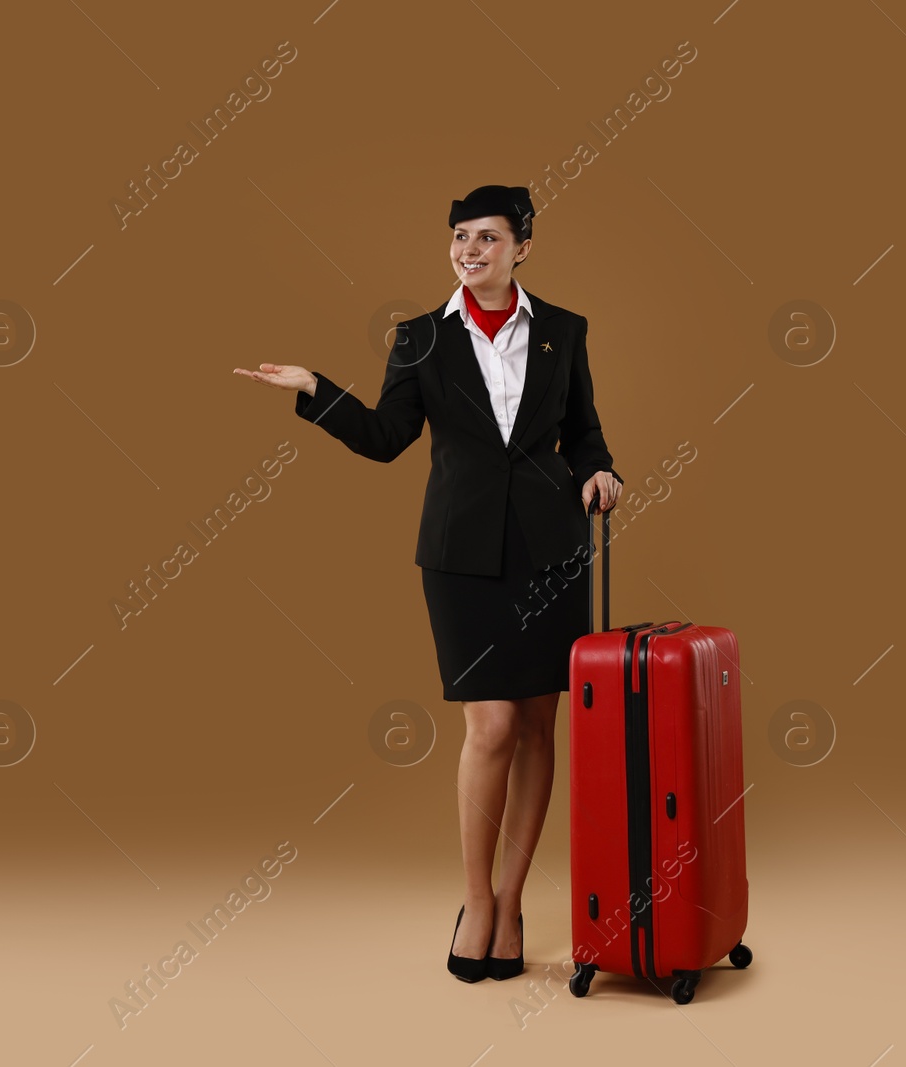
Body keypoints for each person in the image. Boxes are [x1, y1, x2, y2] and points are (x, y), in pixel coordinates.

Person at [234, 185, 623, 984]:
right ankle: (476, 899)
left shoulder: (562, 331)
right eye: (459, 238)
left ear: (522, 247)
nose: (470, 250)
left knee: (541, 730)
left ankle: (513, 901)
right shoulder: (418, 338)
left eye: (487, 237)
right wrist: (316, 389)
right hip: (461, 558)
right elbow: (385, 438)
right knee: (491, 728)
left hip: (552, 554)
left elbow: (582, 431)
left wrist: (601, 471)